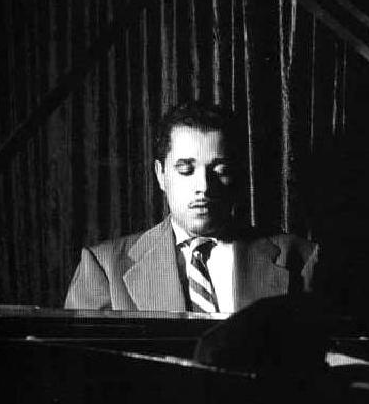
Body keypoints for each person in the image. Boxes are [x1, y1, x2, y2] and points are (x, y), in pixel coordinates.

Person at [65, 101, 318, 312]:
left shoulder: (300, 258)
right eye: (186, 169)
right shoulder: (104, 267)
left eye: (220, 170)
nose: (204, 187)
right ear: (160, 174)